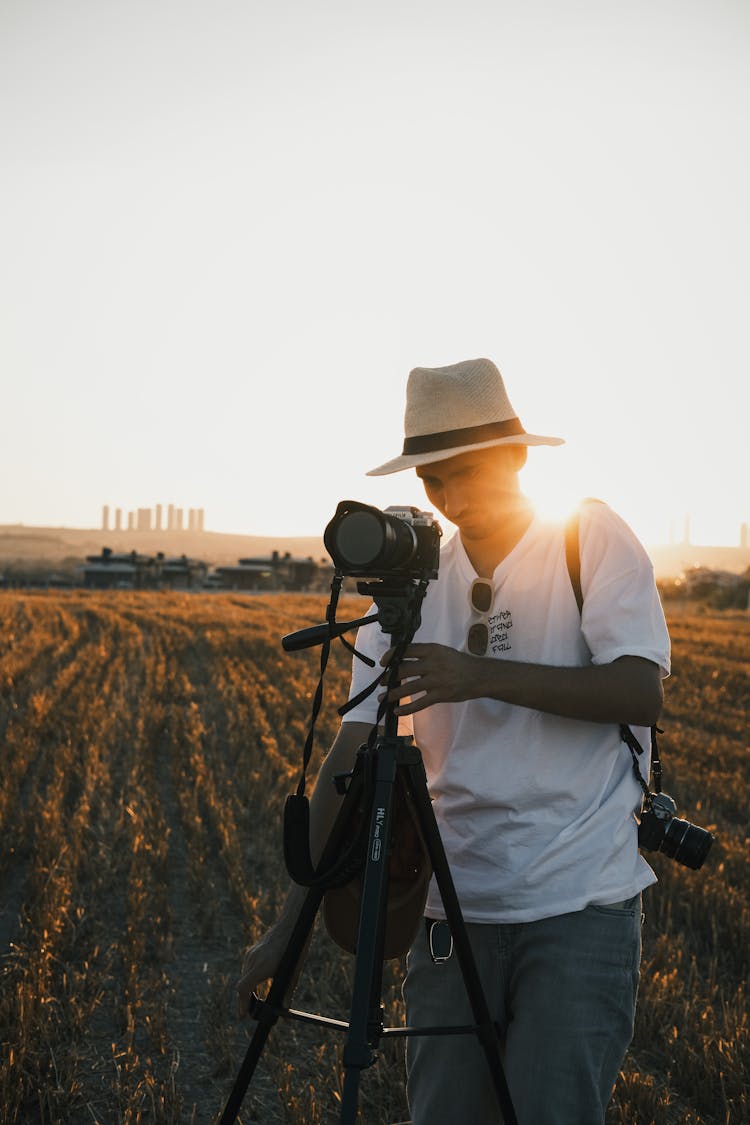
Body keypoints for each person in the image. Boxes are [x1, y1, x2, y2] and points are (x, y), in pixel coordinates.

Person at [237, 357, 671, 1125]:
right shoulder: (413, 583)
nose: (452, 498)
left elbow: (637, 690)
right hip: (447, 910)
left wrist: (479, 674)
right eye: (433, 481)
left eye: (467, 472)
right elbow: (349, 755)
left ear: (517, 457)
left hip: (575, 900)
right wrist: (285, 936)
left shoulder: (586, 537)